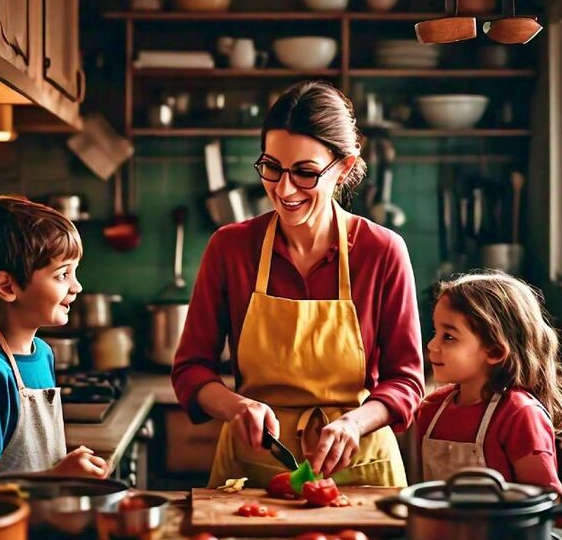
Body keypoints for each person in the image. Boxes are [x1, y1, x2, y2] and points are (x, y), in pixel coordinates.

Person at [172, 80, 425, 488]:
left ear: (343, 167)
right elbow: (190, 369)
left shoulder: (382, 251)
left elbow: (407, 380)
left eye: (305, 173)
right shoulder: (231, 248)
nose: (284, 189)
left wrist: (355, 424)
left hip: (360, 470)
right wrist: (235, 407)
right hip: (253, 469)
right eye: (271, 167)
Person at [0, 195, 107, 477]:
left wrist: (67, 469)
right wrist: (56, 478)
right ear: (7, 286)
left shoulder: (43, 353)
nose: (77, 286)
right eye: (62, 274)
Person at [417, 271, 562, 493]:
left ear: (495, 351)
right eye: (435, 332)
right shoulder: (431, 409)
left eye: (448, 337)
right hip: (442, 528)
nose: (431, 345)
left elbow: (545, 499)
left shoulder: (519, 415)